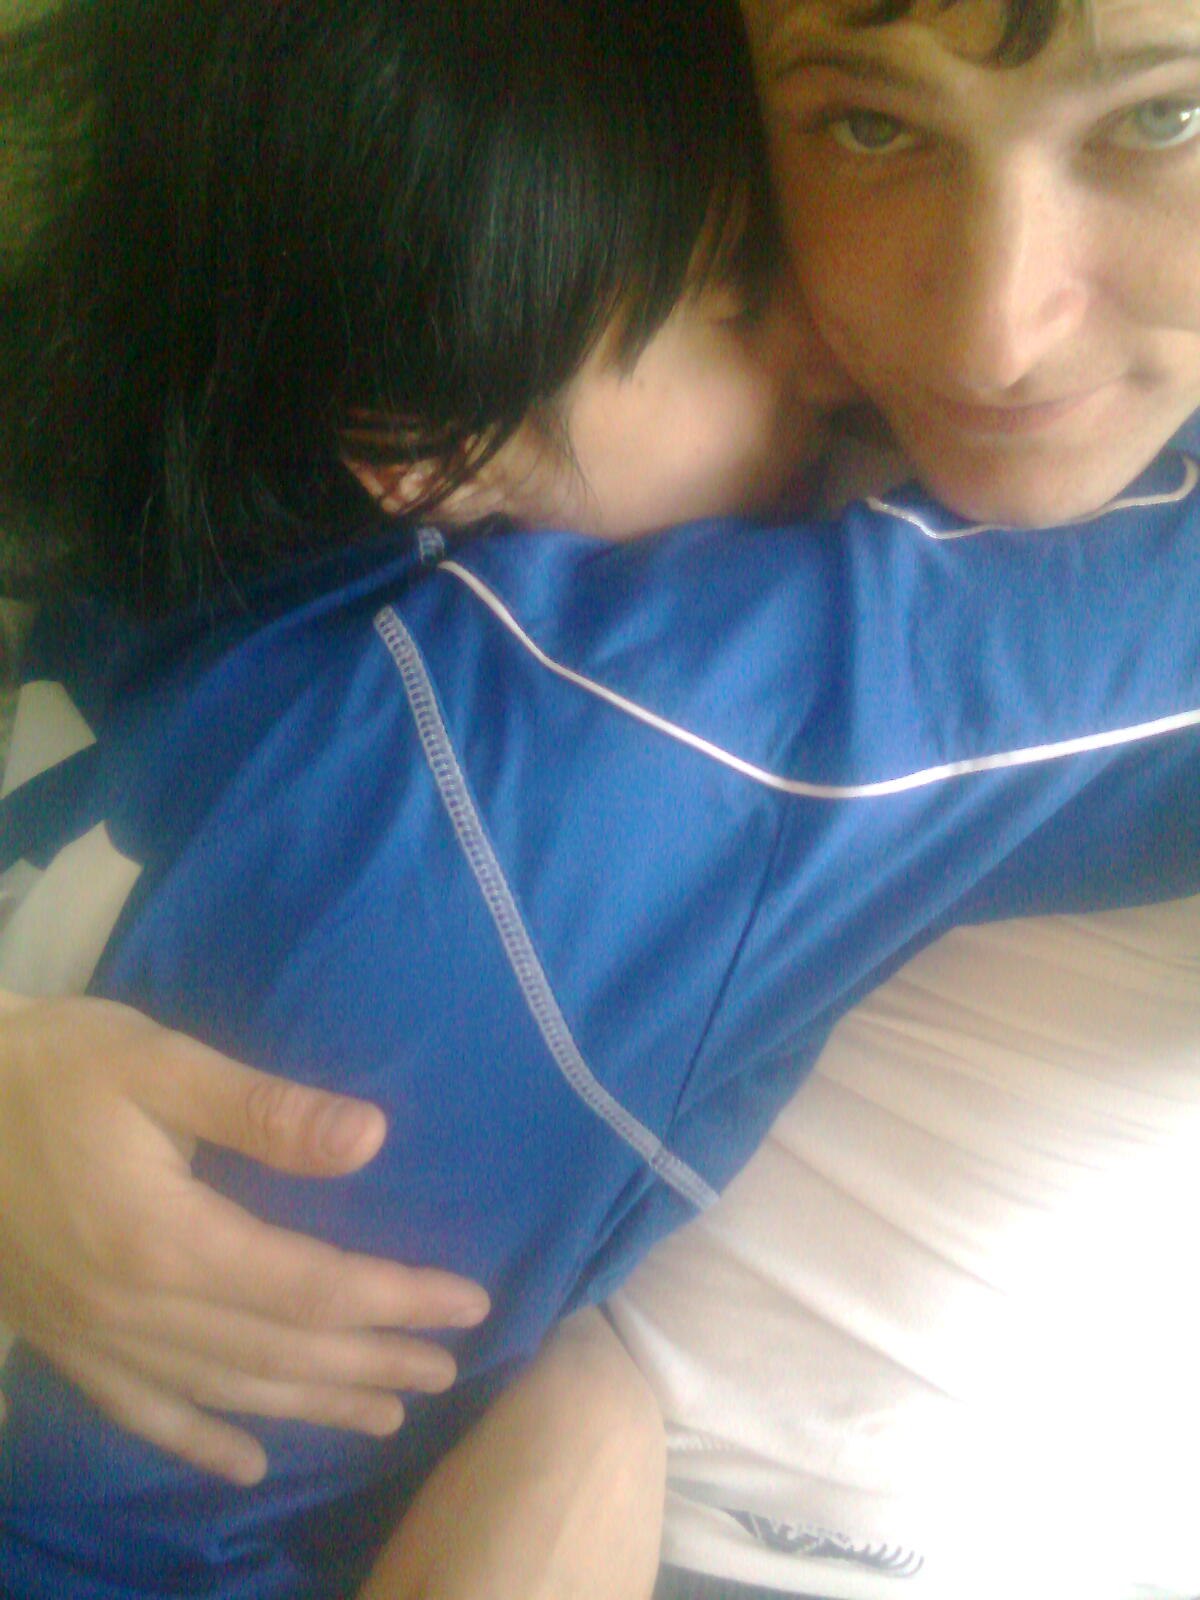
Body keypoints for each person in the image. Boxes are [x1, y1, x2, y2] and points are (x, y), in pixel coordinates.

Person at [2, 4, 1200, 1600]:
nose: (847, 351)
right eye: (733, 304)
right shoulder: (596, 741)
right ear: (422, 445)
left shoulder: (161, 596)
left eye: (1164, 118)